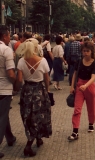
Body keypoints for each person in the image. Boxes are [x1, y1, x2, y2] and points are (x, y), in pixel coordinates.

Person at [15, 39, 52, 157]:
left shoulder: (21, 61)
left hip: (27, 91)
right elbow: (47, 79)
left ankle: (37, 138)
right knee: (40, 116)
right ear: (36, 48)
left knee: (29, 117)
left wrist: (16, 88)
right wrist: (48, 90)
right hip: (39, 91)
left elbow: (20, 80)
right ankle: (29, 145)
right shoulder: (43, 61)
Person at [68, 41, 95, 141]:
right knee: (77, 109)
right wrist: (72, 86)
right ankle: (75, 131)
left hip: (89, 86)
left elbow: (93, 77)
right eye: (84, 51)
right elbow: (74, 74)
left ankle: (91, 123)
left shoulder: (94, 63)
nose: (85, 53)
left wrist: (86, 85)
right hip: (79, 85)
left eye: (87, 51)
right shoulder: (79, 61)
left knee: (92, 107)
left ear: (91, 51)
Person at [0, 25, 17, 159]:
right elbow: (11, 73)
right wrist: (16, 84)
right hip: (4, 89)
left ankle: (10, 137)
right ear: (4, 36)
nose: (9, 37)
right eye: (9, 35)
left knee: (4, 115)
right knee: (2, 117)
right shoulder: (6, 50)